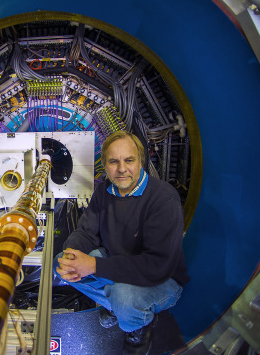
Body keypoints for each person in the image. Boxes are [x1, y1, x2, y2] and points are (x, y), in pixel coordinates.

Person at [54, 130, 189, 355]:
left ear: (140, 161)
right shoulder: (103, 191)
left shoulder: (163, 198)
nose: (122, 169)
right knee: (61, 264)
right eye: (113, 162)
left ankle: (138, 328)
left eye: (129, 160)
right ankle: (118, 307)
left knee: (124, 296)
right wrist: (71, 253)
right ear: (104, 165)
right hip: (119, 265)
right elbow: (87, 233)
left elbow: (158, 266)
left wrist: (94, 266)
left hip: (164, 279)